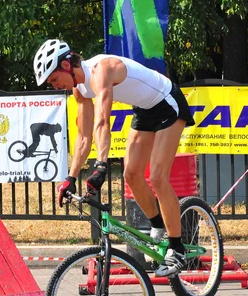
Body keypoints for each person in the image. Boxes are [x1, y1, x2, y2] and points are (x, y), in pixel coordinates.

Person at [33, 39, 195, 277]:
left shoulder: (102, 71)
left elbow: (102, 121)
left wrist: (101, 164)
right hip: (145, 110)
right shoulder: (79, 91)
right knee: (131, 174)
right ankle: (159, 226)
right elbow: (84, 137)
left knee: (158, 177)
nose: (55, 86)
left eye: (54, 79)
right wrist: (70, 177)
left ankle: (177, 249)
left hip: (167, 102)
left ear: (66, 65)